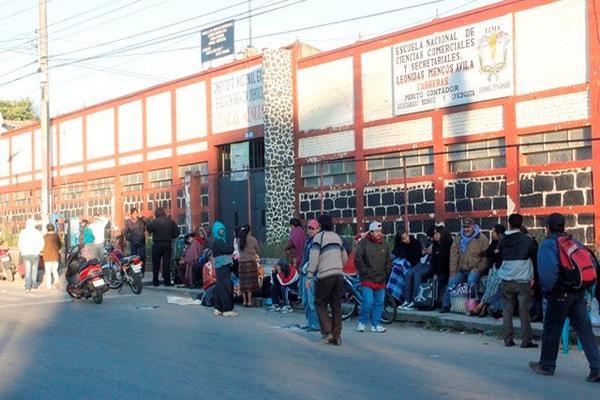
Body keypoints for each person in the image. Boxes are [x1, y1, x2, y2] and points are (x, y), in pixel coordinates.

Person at [529, 213, 600, 382]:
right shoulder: (573, 241)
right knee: (585, 331)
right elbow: (592, 262)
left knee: (552, 330)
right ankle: (596, 368)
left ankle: (546, 365)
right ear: (563, 226)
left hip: (559, 294)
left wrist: (548, 291)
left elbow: (548, 273)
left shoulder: (548, 244)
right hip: (578, 292)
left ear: (547, 228)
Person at [306, 214, 348, 345]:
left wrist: (309, 275)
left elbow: (313, 259)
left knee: (320, 302)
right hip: (338, 274)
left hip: (325, 275)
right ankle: (337, 334)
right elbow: (345, 258)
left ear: (321, 225)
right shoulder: (337, 237)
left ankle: (328, 332)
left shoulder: (319, 238)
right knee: (336, 304)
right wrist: (337, 266)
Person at [497, 214, 538, 348]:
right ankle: (527, 340)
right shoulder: (528, 240)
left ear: (509, 224)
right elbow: (535, 257)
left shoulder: (502, 240)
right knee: (524, 311)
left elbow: (500, 256)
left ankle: (508, 339)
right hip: (522, 279)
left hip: (506, 278)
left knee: (507, 310)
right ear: (521, 224)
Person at [440, 217, 489, 313]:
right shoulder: (459, 238)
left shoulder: (481, 238)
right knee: (451, 282)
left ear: (473, 227)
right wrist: (452, 272)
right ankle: (446, 305)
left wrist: (479, 268)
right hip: (462, 269)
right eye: (464, 227)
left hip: (475, 268)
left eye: (468, 227)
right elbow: (454, 255)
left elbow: (487, 256)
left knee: (471, 281)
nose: (466, 229)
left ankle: (472, 307)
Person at [354, 221, 392, 333]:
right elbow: (358, 259)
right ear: (371, 232)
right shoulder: (364, 243)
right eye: (377, 231)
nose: (379, 233)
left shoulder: (384, 243)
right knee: (368, 302)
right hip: (367, 278)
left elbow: (388, 260)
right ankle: (362, 322)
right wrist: (364, 272)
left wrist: (386, 271)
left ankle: (376, 324)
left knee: (379, 303)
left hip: (381, 278)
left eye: (380, 231)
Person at [471, 224, 506, 317]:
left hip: (503, 269)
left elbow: (501, 257)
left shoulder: (505, 242)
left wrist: (495, 254)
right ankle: (483, 306)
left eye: (494, 232)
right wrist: (495, 253)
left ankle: (481, 305)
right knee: (489, 285)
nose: (492, 234)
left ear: (499, 233)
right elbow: (488, 253)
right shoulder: (494, 243)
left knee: (493, 285)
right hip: (494, 268)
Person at [210, 221, 237, 317]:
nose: (222, 232)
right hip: (223, 266)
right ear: (216, 231)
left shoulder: (216, 242)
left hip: (219, 266)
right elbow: (228, 249)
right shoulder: (219, 242)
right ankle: (227, 309)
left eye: (223, 230)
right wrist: (233, 247)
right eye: (220, 230)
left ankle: (218, 308)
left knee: (219, 287)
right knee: (225, 287)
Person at [146, 207, 178, 287]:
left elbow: (148, 229)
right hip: (167, 243)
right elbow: (177, 232)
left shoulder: (155, 222)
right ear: (164, 213)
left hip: (157, 244)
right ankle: (167, 282)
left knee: (156, 263)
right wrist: (170, 236)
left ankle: (155, 281)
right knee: (166, 263)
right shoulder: (170, 221)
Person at [300, 219, 320, 331]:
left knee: (311, 300)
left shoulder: (317, 241)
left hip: (312, 275)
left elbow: (315, 259)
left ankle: (315, 324)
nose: (311, 230)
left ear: (318, 229)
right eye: (309, 228)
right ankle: (310, 322)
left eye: (313, 228)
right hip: (304, 273)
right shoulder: (308, 241)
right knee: (305, 300)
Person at [18, 219, 44, 292]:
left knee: (27, 270)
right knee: (34, 270)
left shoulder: (23, 232)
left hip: (25, 254)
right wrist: (39, 250)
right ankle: (34, 285)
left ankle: (27, 286)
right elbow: (42, 243)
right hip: (35, 253)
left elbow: (20, 243)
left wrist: (22, 250)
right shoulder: (37, 232)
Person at [238, 224, 260, 307]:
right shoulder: (253, 239)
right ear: (249, 231)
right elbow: (257, 249)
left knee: (243, 282)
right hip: (251, 263)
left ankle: (244, 301)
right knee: (250, 283)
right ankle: (250, 301)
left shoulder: (239, 240)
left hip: (241, 264)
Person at [124, 208, 146, 272]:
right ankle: (136, 271)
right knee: (134, 258)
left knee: (142, 257)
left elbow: (148, 221)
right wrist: (130, 239)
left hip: (141, 242)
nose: (135, 215)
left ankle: (142, 271)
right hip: (133, 242)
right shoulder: (128, 222)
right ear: (131, 214)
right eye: (134, 214)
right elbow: (125, 232)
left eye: (136, 213)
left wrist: (142, 217)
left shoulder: (141, 220)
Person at [42, 224, 62, 289]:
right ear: (54, 228)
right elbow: (60, 245)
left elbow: (42, 246)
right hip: (55, 255)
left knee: (48, 272)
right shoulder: (56, 236)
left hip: (47, 256)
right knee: (55, 270)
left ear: (47, 229)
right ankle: (56, 283)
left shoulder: (45, 237)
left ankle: (49, 285)